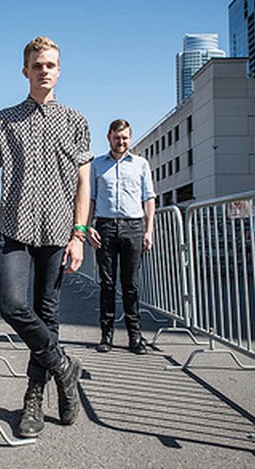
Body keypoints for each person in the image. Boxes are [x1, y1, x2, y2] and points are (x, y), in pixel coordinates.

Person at [0, 36, 92, 438]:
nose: (43, 71)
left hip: (58, 230)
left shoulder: (76, 121)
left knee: (47, 313)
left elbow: (84, 183)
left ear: (59, 71)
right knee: (12, 305)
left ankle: (34, 397)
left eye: (50, 65)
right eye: (37, 65)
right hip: (15, 227)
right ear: (25, 71)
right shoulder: (3, 120)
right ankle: (64, 367)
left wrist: (79, 234)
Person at [87, 118, 156, 354]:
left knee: (131, 284)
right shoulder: (96, 165)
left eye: (125, 137)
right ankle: (106, 335)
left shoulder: (141, 164)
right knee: (106, 284)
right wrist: (88, 227)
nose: (121, 141)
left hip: (133, 227)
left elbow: (148, 198)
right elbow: (90, 198)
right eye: (117, 137)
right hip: (105, 227)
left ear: (130, 138)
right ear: (109, 138)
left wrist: (149, 230)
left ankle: (135, 336)